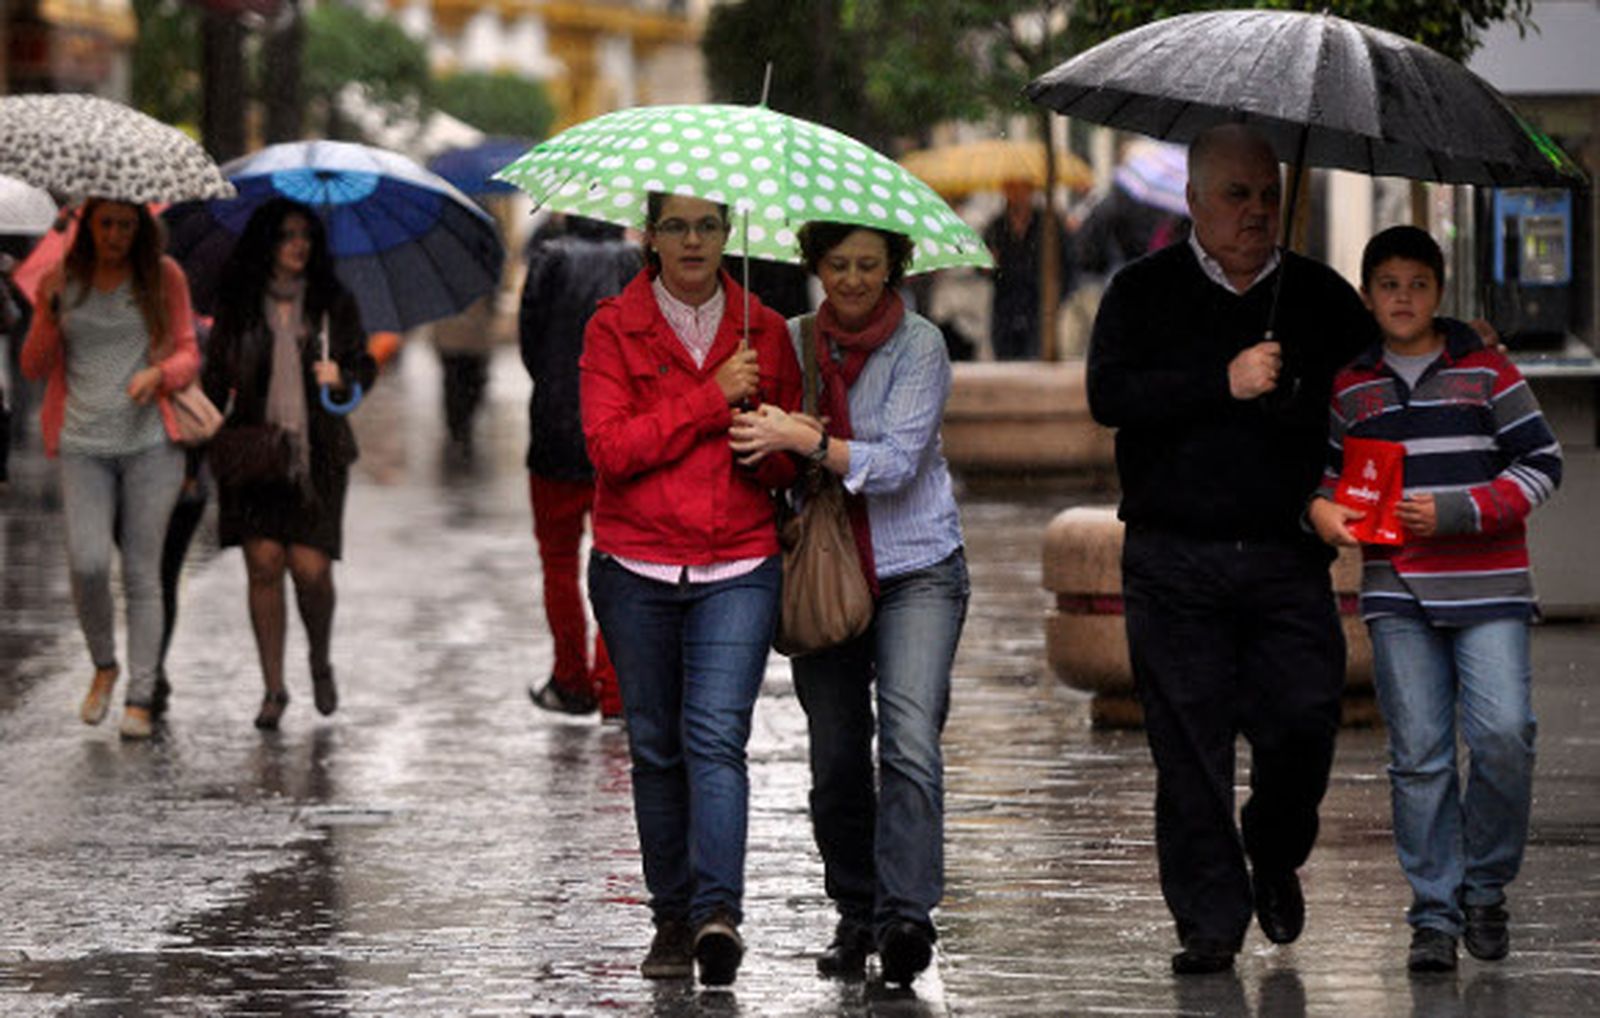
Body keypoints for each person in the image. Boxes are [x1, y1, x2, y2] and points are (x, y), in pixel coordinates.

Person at [1085, 123, 1383, 975]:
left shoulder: (1321, 298)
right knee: (1189, 752)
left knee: (1303, 725)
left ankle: (1275, 845)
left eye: (1265, 195)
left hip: (1286, 557)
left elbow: (1381, 380)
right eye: (1235, 195)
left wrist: (1454, 347)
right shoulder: (1142, 291)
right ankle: (1209, 922)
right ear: (1193, 202)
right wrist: (1222, 380)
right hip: (1173, 558)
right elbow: (1110, 395)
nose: (1255, 213)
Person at [1309, 226, 1560, 974]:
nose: (1404, 298)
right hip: (1397, 592)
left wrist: (1464, 509)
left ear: (1439, 291)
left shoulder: (1485, 371)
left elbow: (1542, 462)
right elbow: (1331, 479)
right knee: (1418, 758)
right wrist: (1322, 513)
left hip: (1489, 588)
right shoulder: (1351, 385)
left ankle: (1485, 886)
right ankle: (1434, 913)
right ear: (1367, 296)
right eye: (1388, 285)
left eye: (1418, 284)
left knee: (1505, 736)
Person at [729, 221, 969, 988]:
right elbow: (755, 453)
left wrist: (809, 439)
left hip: (917, 566)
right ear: (815, 265)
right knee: (835, 758)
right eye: (839, 264)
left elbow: (898, 464)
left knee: (907, 740)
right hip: (821, 573)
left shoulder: (922, 346)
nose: (855, 280)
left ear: (895, 266)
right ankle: (855, 911)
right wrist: (753, 416)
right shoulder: (786, 339)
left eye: (870, 265)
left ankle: (907, 915)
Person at [581, 192, 801, 987]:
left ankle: (717, 915)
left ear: (729, 234)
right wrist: (711, 402)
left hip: (737, 564)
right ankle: (670, 918)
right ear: (650, 237)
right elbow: (610, 449)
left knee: (715, 739)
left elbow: (786, 466)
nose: (693, 240)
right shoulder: (612, 326)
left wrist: (767, 439)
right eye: (675, 225)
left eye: (708, 225)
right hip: (636, 566)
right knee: (656, 747)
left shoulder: (767, 332)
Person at [19, 198, 198, 739]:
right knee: (89, 562)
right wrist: (47, 315)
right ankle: (104, 664)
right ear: (88, 227)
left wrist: (160, 375)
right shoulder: (61, 278)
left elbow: (190, 352)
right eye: (106, 225)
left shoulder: (163, 277)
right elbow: (33, 366)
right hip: (82, 445)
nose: (116, 235)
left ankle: (140, 697)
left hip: (150, 445)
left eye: (126, 225)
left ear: (140, 229)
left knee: (143, 573)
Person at [201, 199, 377, 731]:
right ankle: (273, 688)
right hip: (255, 453)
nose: (298, 244)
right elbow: (214, 379)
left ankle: (319, 658)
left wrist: (341, 377)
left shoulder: (333, 304)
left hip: (318, 457)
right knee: (263, 563)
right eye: (286, 235)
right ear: (267, 244)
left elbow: (364, 366)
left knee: (311, 569)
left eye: (305, 235)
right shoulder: (240, 304)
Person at [518, 214, 639, 719]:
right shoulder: (636, 261)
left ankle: (571, 679)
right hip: (619, 434)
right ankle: (615, 690)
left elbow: (531, 346)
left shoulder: (549, 260)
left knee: (559, 563)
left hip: (553, 435)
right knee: (621, 563)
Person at [982, 177, 1072, 360]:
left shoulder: (1049, 224)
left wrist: (1059, 297)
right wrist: (988, 265)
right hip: (1006, 309)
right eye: (1011, 189)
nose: (1017, 195)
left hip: (1039, 308)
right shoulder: (995, 227)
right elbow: (983, 269)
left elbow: (1068, 263)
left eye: (1021, 189)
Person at [430, 292, 494, 458]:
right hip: (466, 339)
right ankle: (461, 424)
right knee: (465, 384)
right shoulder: (482, 275)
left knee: (457, 384)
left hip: (459, 339)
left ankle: (458, 425)